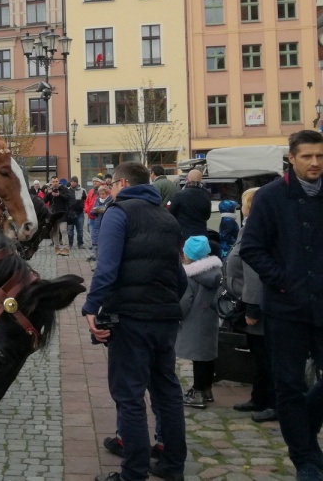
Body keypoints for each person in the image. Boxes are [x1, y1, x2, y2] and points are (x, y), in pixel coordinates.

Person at [82, 161, 187, 481]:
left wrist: (91, 307)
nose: (110, 190)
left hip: (131, 318)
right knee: (166, 391)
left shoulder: (119, 212)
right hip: (165, 317)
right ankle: (171, 464)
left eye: (112, 185)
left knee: (129, 395)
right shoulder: (167, 218)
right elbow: (180, 277)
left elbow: (107, 267)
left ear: (122, 183)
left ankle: (133, 473)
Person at [241, 130, 323, 481]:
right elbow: (252, 248)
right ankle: (305, 459)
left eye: (319, 156)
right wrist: (284, 279)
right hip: (287, 308)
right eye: (307, 156)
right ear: (292, 158)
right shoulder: (271, 197)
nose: (315, 163)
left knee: (302, 394)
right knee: (288, 385)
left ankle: (303, 426)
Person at [227, 187, 277, 423]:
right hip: (249, 300)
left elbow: (254, 272)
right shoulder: (250, 228)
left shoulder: (256, 231)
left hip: (257, 304)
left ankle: (272, 402)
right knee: (259, 355)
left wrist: (252, 307)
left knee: (267, 356)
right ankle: (259, 397)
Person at [176, 235, 222, 409]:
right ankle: (207, 388)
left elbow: (185, 301)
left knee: (198, 358)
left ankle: (198, 392)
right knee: (208, 356)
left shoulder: (190, 276)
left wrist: (177, 315)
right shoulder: (215, 271)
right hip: (209, 319)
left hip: (195, 321)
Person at [169, 168, 210, 242]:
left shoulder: (180, 195)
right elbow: (207, 215)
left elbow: (171, 213)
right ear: (201, 179)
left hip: (185, 234)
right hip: (201, 234)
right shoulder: (206, 195)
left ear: (187, 179)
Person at [43, 175, 70, 256]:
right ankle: (57, 247)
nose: (55, 183)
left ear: (58, 181)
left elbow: (67, 198)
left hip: (63, 212)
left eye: (56, 181)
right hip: (53, 213)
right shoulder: (49, 189)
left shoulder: (64, 188)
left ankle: (66, 248)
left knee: (63, 230)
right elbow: (45, 201)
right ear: (51, 182)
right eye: (53, 182)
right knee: (55, 231)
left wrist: (59, 195)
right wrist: (48, 193)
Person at [86, 185, 112, 262]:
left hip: (107, 222)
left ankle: (104, 257)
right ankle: (95, 255)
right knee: (95, 239)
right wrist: (94, 211)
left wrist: (105, 210)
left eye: (103, 194)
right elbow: (92, 211)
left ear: (107, 193)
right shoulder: (97, 200)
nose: (101, 196)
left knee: (105, 241)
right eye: (100, 194)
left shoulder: (111, 200)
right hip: (97, 222)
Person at [66, 176, 86, 250]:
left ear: (77, 182)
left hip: (80, 213)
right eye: (72, 181)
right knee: (70, 230)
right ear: (70, 182)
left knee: (80, 229)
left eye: (75, 181)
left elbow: (86, 200)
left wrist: (84, 208)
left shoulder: (82, 190)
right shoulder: (67, 190)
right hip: (70, 213)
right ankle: (70, 244)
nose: (73, 183)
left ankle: (80, 243)